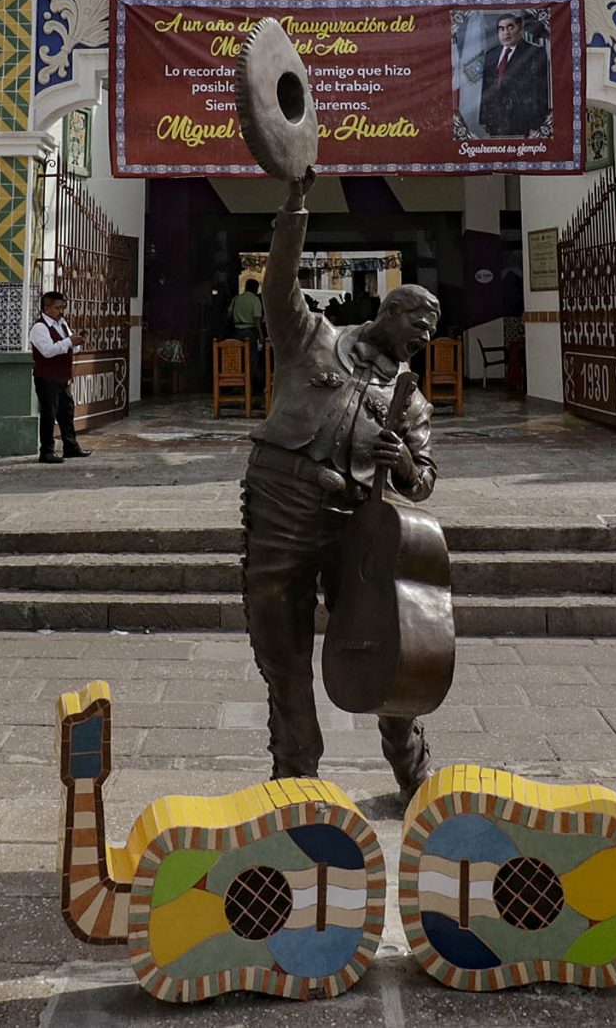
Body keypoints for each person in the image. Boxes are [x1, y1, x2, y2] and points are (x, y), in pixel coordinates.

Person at [244, 172, 444, 799]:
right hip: (280, 510)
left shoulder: (410, 400)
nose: (426, 337)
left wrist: (405, 466)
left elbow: (425, 482)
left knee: (391, 646)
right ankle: (296, 779)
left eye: (433, 330)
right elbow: (278, 286)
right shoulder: (313, 341)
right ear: (390, 310)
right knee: (282, 658)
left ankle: (413, 774)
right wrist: (295, 207)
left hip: (359, 529)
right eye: (420, 322)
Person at [29, 290, 88, 464]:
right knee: (49, 414)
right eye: (57, 307)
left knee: (66, 412)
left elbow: (69, 347)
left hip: (62, 378)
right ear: (47, 308)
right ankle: (46, 451)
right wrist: (69, 342)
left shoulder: (62, 324)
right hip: (47, 378)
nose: (61, 311)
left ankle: (70, 447)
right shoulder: (40, 328)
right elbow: (47, 351)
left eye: (63, 307)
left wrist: (76, 342)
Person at [476, 11, 552, 137]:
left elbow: (540, 91)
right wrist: (483, 120)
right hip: (494, 122)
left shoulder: (535, 53)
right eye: (501, 29)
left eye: (510, 27)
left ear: (521, 30)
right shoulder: (490, 55)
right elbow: (486, 88)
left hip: (523, 123)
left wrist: (536, 125)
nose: (506, 32)